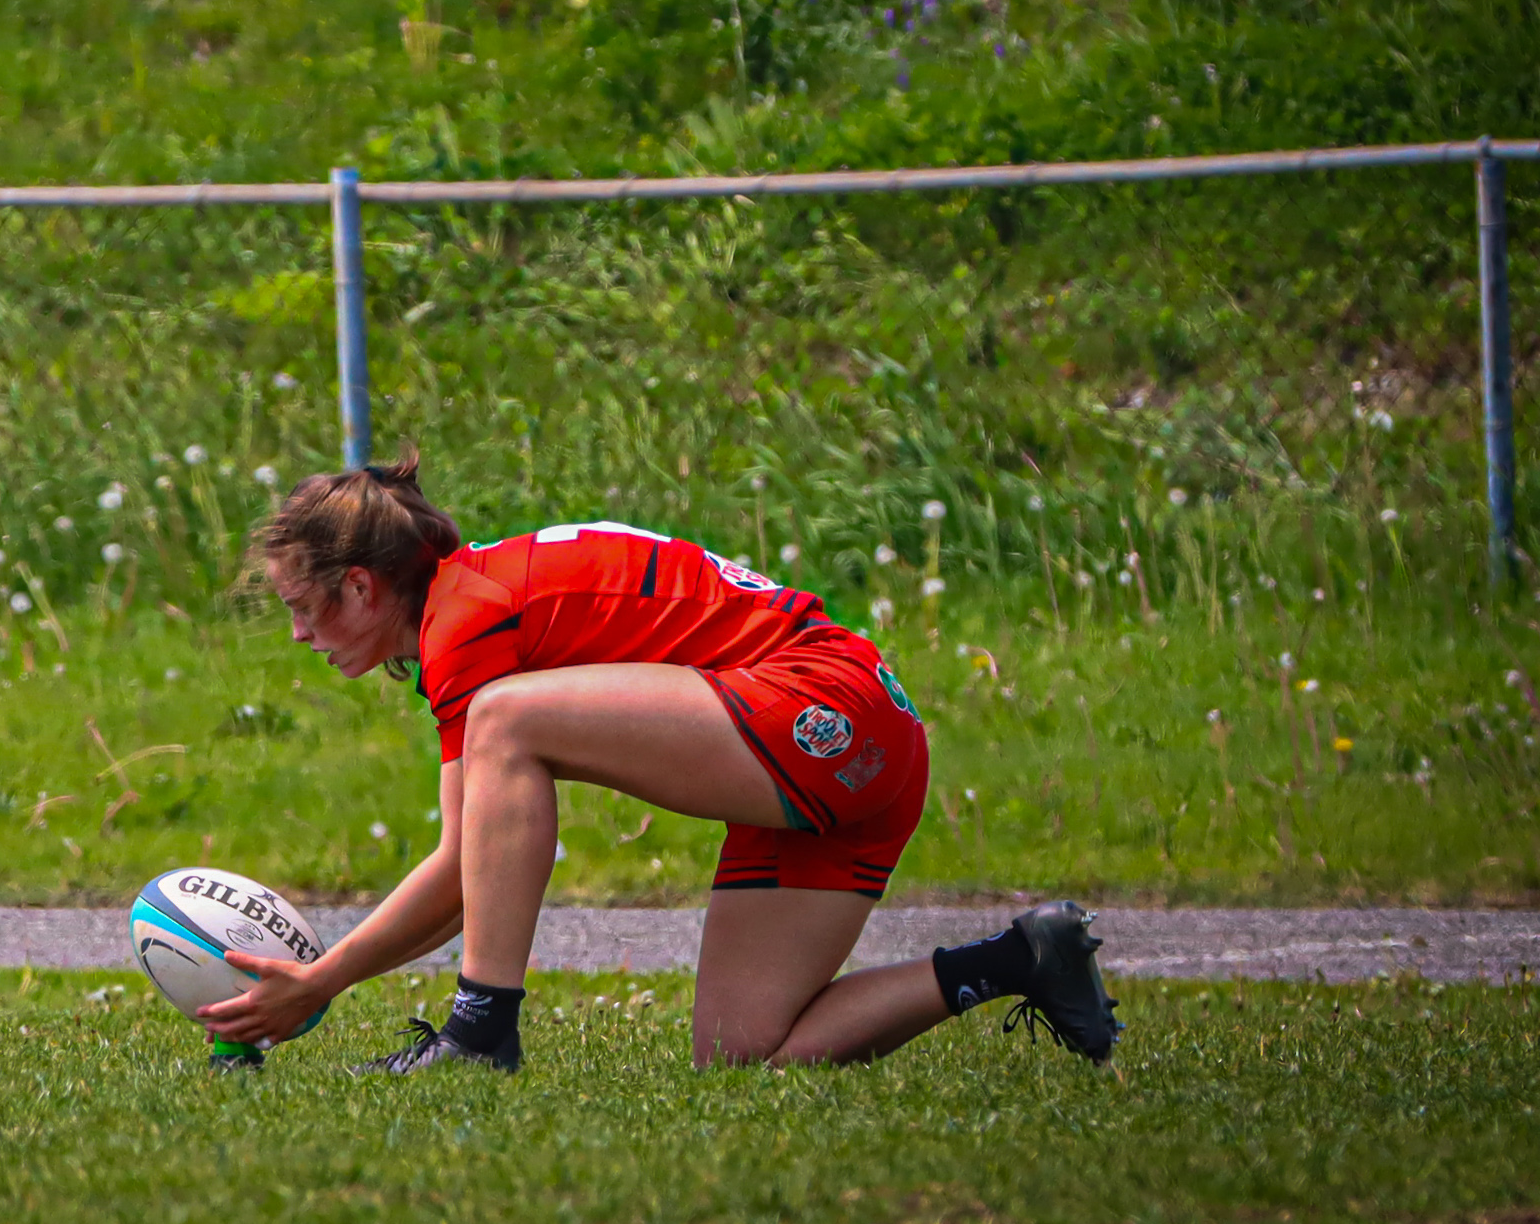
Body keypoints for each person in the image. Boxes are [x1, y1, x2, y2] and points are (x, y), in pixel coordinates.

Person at [195, 451, 1120, 1074]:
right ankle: (1018, 957)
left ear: (361, 584)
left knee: (507, 720)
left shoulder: (467, 618)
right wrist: (326, 978)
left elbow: (458, 877)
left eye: (303, 606)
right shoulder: (463, 615)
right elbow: (464, 864)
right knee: (743, 1050)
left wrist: (324, 979)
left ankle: (482, 1029)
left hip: (829, 705)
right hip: (869, 736)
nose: (298, 633)